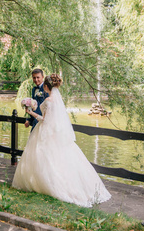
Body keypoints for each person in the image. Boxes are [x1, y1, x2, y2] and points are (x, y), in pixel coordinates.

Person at [13, 74, 111, 207]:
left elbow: (44, 119)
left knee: (44, 158)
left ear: (47, 86)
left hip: (45, 131)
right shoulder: (57, 100)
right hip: (54, 132)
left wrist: (31, 113)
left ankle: (45, 184)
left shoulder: (48, 101)